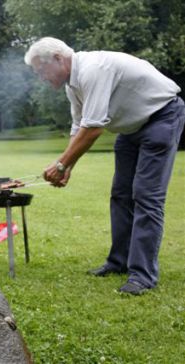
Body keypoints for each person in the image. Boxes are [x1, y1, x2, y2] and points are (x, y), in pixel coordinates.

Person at [24, 37, 184, 295]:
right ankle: (118, 261)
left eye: (41, 71)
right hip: (130, 128)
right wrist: (68, 167)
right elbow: (79, 127)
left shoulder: (93, 70)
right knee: (121, 194)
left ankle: (142, 276)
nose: (41, 78)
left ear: (57, 58)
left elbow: (94, 127)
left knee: (146, 196)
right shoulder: (72, 85)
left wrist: (62, 165)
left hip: (161, 117)